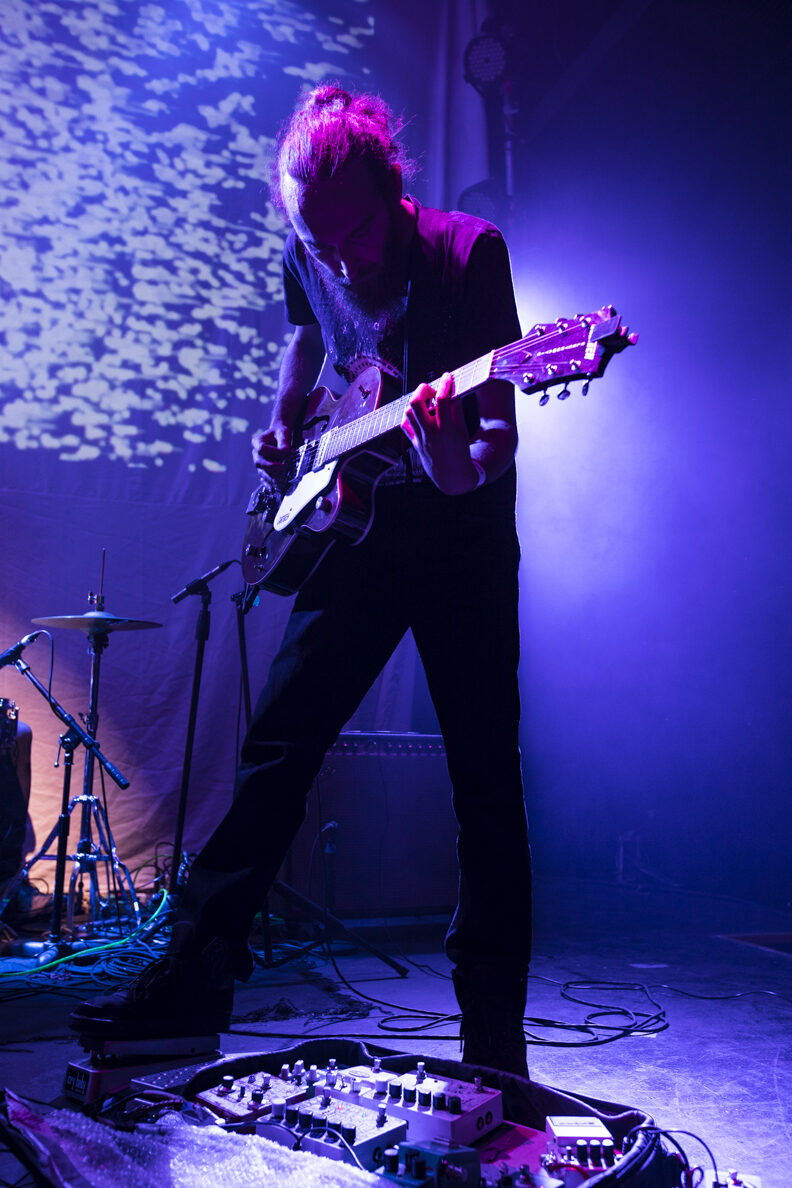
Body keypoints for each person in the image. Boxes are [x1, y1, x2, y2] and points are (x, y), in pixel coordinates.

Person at [70, 85, 532, 1075]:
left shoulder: (468, 253)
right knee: (276, 753)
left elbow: (495, 430)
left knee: (486, 783)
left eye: (354, 236)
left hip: (461, 544)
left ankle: (494, 1025)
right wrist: (286, 427)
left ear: (394, 186)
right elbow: (308, 339)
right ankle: (189, 982)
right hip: (355, 532)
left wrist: (457, 468)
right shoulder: (311, 249)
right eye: (318, 244)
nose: (340, 262)